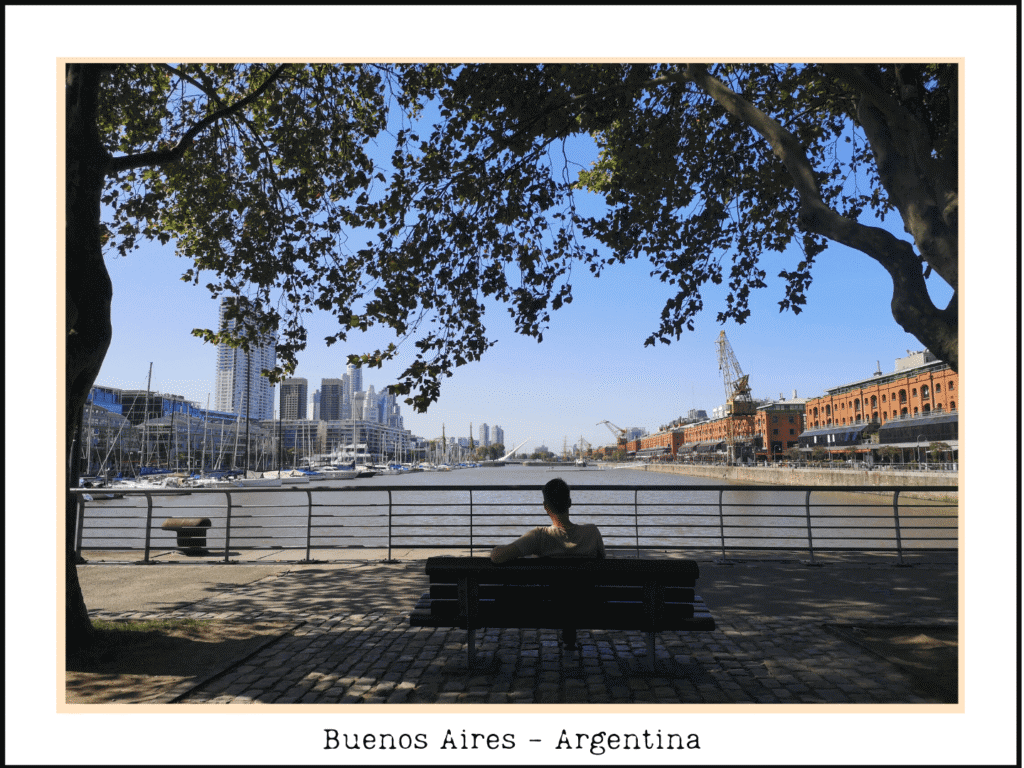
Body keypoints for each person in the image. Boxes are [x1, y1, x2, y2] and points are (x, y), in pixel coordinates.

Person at [490, 477, 605, 563]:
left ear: (545, 507)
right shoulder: (592, 533)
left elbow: (497, 556)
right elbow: (602, 561)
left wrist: (496, 549)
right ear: (570, 503)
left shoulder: (539, 537)